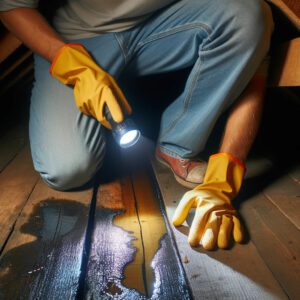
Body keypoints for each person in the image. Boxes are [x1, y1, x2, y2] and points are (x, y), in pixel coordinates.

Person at [0, 0, 273, 250]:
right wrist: (73, 65)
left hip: (165, 24)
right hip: (75, 37)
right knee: (67, 170)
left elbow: (255, 60)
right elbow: (12, 6)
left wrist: (223, 177)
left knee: (250, 15)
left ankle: (177, 144)